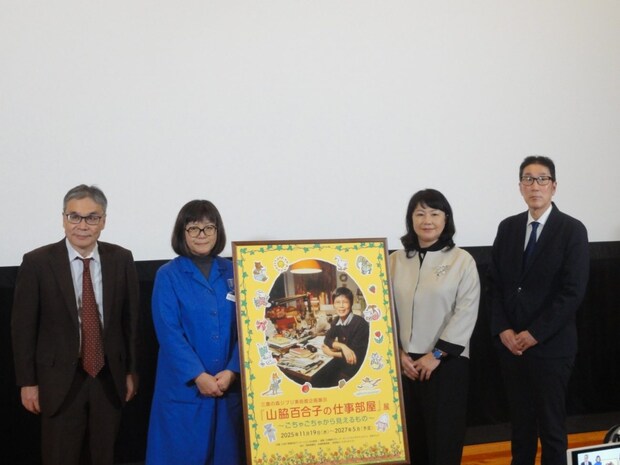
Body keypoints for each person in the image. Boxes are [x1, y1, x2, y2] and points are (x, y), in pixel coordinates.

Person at [11, 184, 140, 465]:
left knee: (104, 456)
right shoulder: (37, 262)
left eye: (92, 217)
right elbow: (23, 329)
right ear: (63, 219)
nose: (82, 225)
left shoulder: (121, 259)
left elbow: (130, 322)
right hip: (57, 380)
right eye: (74, 217)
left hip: (109, 377)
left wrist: (130, 371)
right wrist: (28, 382)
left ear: (103, 221)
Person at [489, 156, 589, 465]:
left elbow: (572, 292)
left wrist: (534, 333)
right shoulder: (508, 227)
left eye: (542, 179)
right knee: (520, 428)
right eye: (528, 179)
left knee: (551, 428)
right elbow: (495, 285)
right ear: (520, 186)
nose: (535, 186)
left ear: (554, 186)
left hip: (551, 346)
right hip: (512, 347)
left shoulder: (572, 229)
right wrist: (503, 329)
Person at [146, 200, 245, 465]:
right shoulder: (168, 275)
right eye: (193, 228)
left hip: (228, 386)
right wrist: (198, 375)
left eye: (209, 228)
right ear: (182, 232)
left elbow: (248, 327)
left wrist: (233, 370)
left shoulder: (235, 271)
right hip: (185, 389)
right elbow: (169, 333)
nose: (202, 235)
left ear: (218, 232)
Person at [390, 188, 480, 465]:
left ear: (446, 219)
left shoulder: (461, 260)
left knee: (443, 442)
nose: (427, 220)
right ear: (411, 219)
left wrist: (437, 354)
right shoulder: (394, 260)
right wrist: (397, 353)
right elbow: (384, 310)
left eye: (434, 213)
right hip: (403, 366)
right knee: (410, 442)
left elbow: (466, 311)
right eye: (420, 214)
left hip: (446, 364)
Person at [322, 286, 369, 383]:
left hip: (357, 371)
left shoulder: (360, 323)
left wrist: (332, 353)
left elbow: (356, 355)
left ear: (351, 304)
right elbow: (327, 339)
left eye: (345, 302)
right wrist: (342, 346)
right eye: (337, 302)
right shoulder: (336, 321)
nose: (341, 306)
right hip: (342, 366)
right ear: (333, 305)